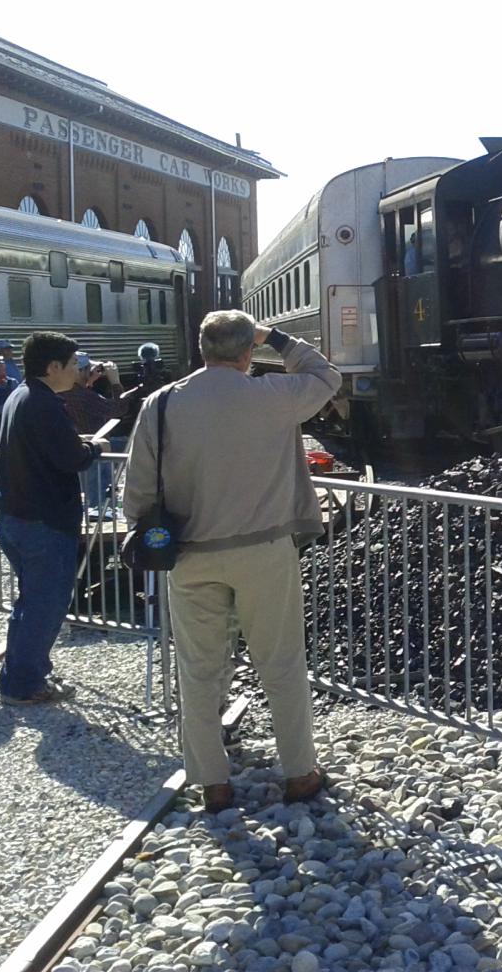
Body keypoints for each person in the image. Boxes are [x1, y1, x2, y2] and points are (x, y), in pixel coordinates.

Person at [126, 310, 340, 810]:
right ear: (248, 353)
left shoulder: (162, 404)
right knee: (281, 664)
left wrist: (152, 535)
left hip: (191, 555)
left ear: (201, 349)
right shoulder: (274, 396)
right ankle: (299, 772)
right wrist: (277, 338)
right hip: (264, 552)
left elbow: (138, 488)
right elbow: (326, 375)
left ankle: (212, 781)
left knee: (198, 670)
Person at [0, 332, 115, 705]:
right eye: (74, 363)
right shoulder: (44, 404)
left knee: (30, 602)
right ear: (53, 367)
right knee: (45, 605)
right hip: (42, 521)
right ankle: (26, 684)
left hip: (15, 515)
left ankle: (17, 675)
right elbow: (70, 458)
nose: (78, 369)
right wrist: (95, 447)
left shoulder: (21, 395)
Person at [60, 353, 138, 516]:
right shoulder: (81, 395)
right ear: (79, 372)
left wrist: (88, 382)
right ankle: (102, 515)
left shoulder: (70, 392)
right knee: (99, 501)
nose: (92, 372)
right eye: (88, 369)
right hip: (93, 452)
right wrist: (115, 382)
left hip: (83, 449)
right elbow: (118, 409)